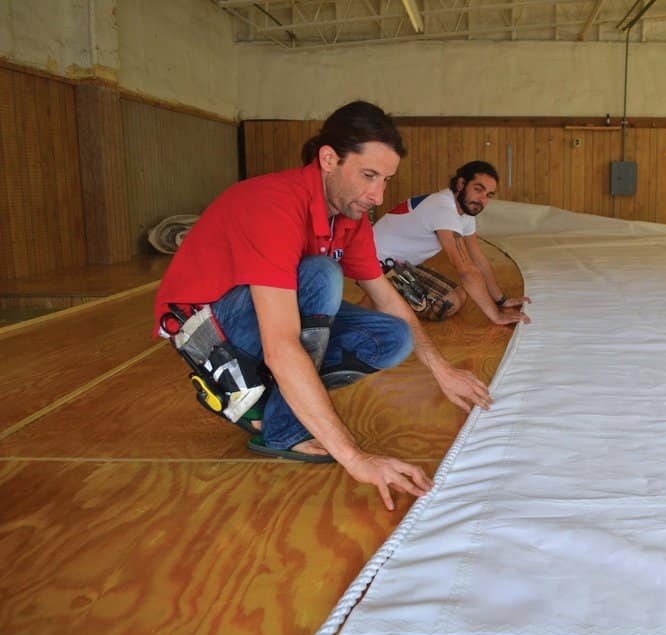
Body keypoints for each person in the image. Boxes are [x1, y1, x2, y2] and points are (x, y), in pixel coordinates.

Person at [153, 101, 492, 510]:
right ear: (328, 159)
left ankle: (269, 411)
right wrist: (356, 457)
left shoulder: (351, 216)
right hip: (205, 332)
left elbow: (387, 297)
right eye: (368, 176)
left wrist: (443, 371)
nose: (378, 194)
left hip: (259, 322)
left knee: (394, 337)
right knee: (322, 276)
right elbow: (280, 344)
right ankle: (270, 416)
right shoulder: (275, 203)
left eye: (386, 180)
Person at [372, 161, 531, 324]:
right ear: (461, 184)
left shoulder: (465, 212)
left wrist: (501, 301)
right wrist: (496, 316)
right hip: (376, 264)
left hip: (400, 265)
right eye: (478, 189)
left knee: (460, 295)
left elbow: (478, 258)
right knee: (447, 304)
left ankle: (381, 297)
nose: (482, 199)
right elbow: (466, 270)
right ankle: (377, 299)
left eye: (489, 195)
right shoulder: (443, 208)